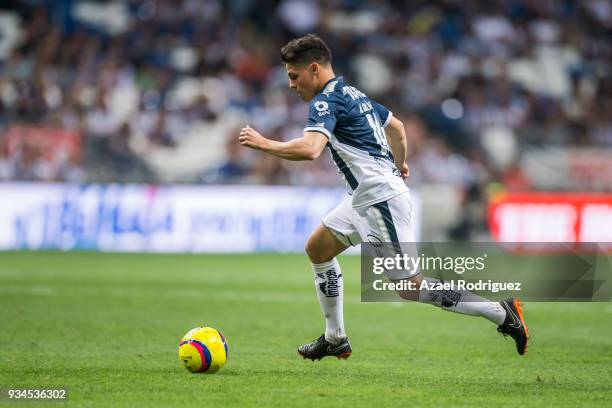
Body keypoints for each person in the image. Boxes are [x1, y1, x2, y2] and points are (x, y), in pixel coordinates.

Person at [239, 34, 529, 360]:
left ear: (315, 69)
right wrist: (400, 162)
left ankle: (500, 312)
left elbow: (311, 149)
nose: (292, 85)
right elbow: (399, 128)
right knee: (318, 248)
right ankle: (335, 337)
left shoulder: (326, 101)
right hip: (364, 199)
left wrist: (264, 143)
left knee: (410, 287)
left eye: (294, 76)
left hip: (379, 201)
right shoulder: (353, 93)